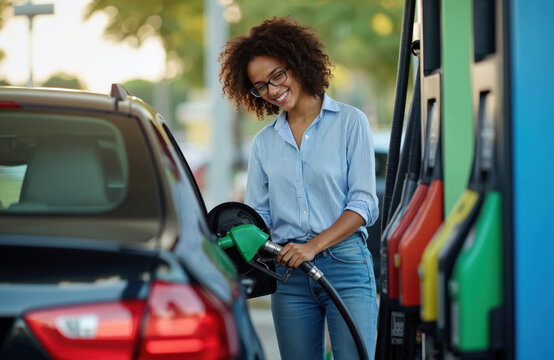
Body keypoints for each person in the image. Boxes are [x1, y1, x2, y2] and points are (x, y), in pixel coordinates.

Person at [219, 16, 379, 360]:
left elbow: (364, 203)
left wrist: (313, 247)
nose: (273, 90)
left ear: (299, 64)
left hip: (346, 266)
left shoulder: (350, 122)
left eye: (277, 75)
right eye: (260, 86)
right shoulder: (264, 143)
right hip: (288, 273)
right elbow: (259, 215)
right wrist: (237, 233)